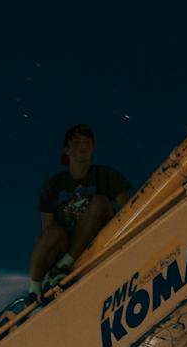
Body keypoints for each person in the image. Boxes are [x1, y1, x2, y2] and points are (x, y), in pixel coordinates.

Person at [26, 124, 132, 302]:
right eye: (76, 143)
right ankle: (34, 289)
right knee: (51, 233)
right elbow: (47, 230)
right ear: (66, 149)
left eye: (87, 142)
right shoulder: (52, 185)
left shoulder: (106, 175)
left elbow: (130, 210)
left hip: (97, 239)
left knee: (100, 202)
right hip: (64, 244)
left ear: (93, 147)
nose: (82, 146)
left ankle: (67, 264)